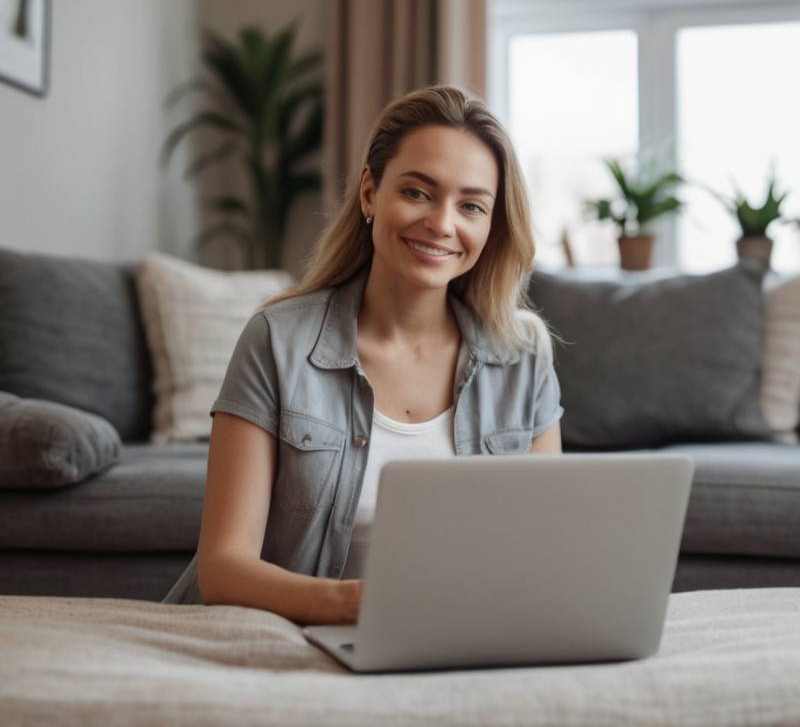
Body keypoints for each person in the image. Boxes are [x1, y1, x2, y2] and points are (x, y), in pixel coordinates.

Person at [162, 85, 564, 624]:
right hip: (289, 635)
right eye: (418, 192)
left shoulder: (525, 357)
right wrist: (355, 605)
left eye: (471, 205)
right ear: (371, 194)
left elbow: (544, 551)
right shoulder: (277, 340)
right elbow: (224, 569)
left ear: (490, 227)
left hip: (456, 639)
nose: (442, 223)